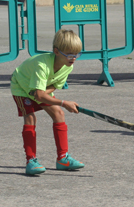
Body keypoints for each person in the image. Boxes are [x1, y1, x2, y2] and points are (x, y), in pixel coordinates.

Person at [10, 29, 85, 175]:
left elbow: (54, 86)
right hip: (21, 86)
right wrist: (63, 102)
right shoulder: (42, 65)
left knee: (58, 113)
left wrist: (44, 95)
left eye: (76, 54)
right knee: (30, 117)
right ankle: (31, 161)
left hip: (40, 88)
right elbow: (39, 95)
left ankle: (63, 159)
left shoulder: (68, 66)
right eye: (69, 54)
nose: (73, 58)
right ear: (56, 52)